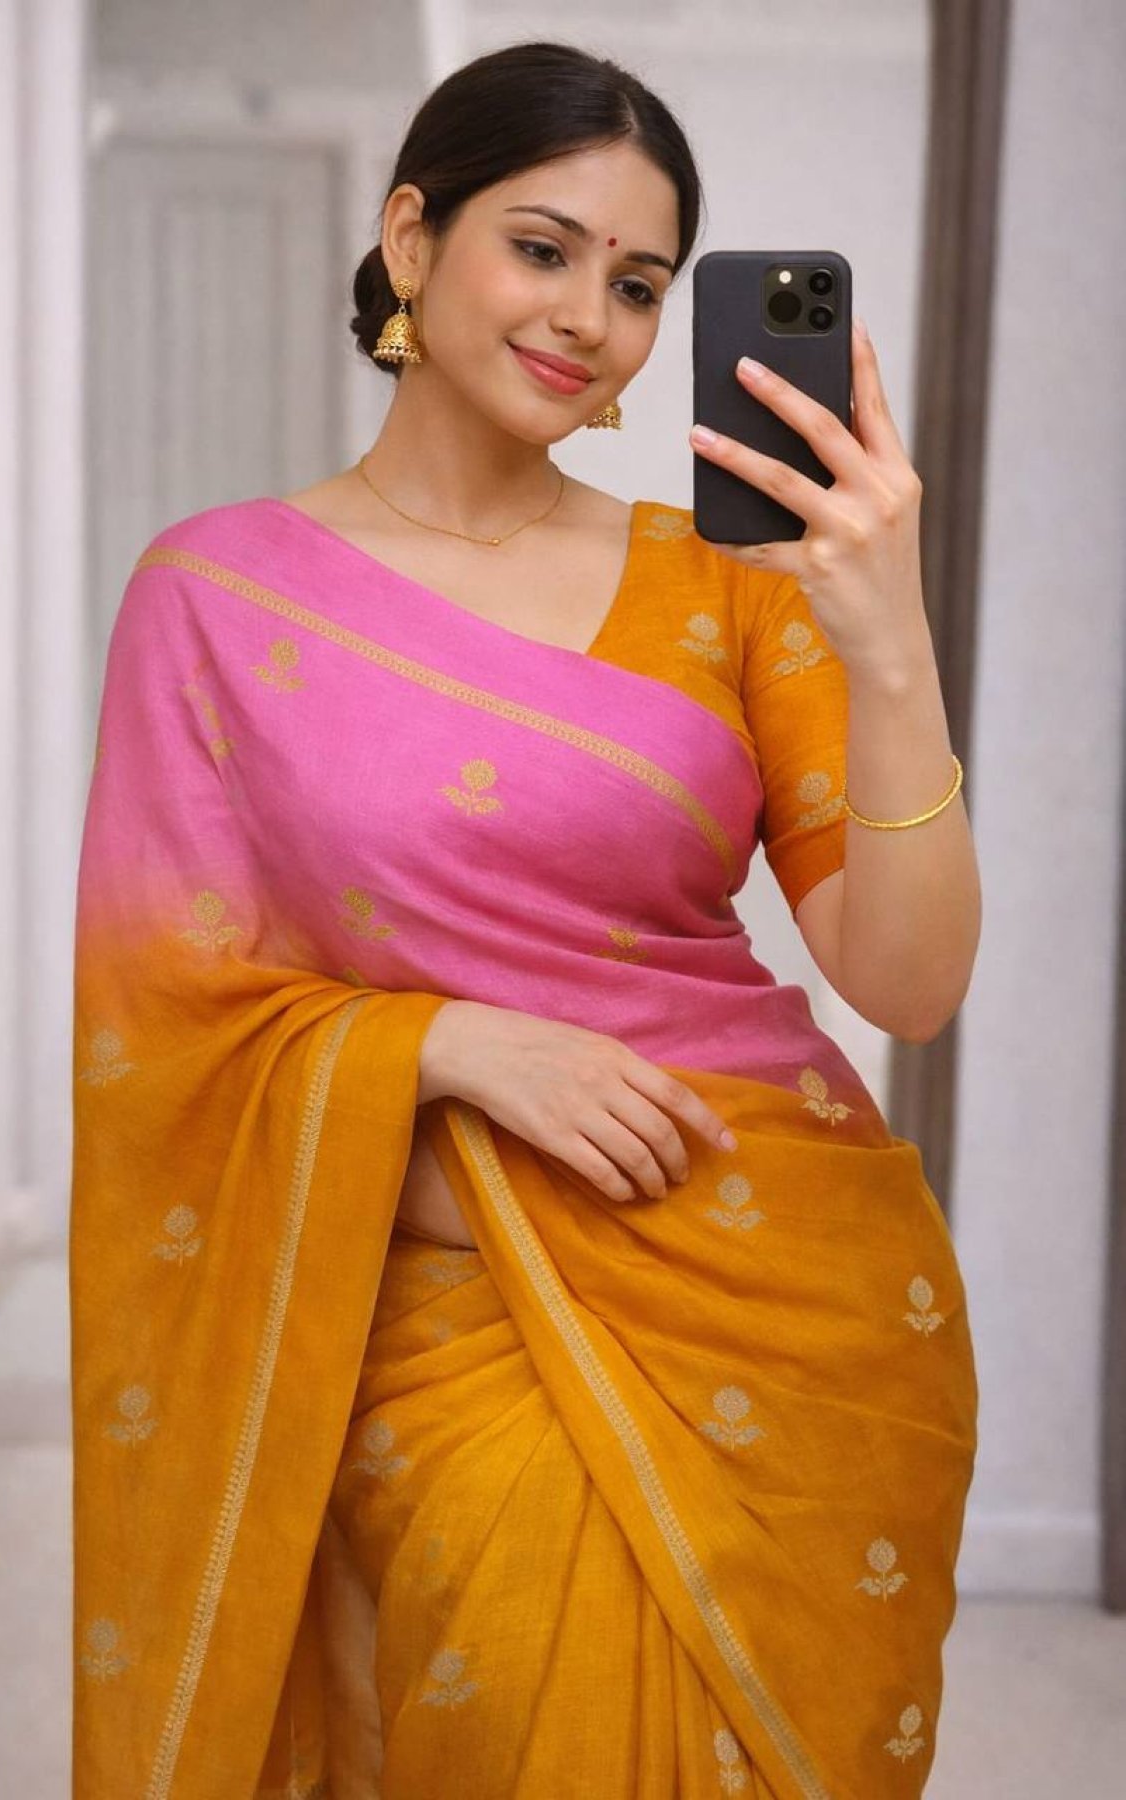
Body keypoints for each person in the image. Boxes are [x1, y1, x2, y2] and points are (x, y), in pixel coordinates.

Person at [69, 38, 980, 1800]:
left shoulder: (727, 586)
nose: (590, 321)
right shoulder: (216, 595)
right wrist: (445, 1046)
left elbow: (911, 979)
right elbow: (162, 1032)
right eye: (544, 250)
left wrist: (889, 639)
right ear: (413, 239)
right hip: (440, 1296)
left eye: (638, 285)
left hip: (787, 1282)